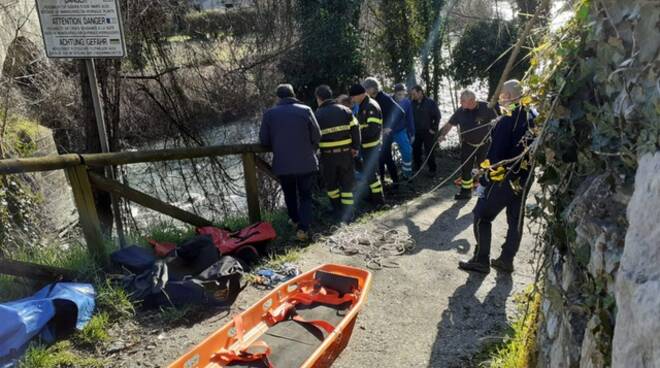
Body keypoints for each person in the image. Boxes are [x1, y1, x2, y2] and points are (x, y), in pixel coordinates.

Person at [458, 80, 535, 274]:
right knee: (515, 219)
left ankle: (481, 260)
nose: (500, 98)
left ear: (508, 96)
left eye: (502, 95)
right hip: (524, 177)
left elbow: (496, 155)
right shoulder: (532, 115)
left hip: (505, 177)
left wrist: (484, 179)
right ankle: (506, 259)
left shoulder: (508, 118)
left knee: (481, 216)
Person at [259, 84, 321, 241]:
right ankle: (303, 228)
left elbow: (264, 140)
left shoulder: (269, 114)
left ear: (278, 98)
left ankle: (295, 220)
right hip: (306, 162)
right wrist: (311, 150)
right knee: (306, 196)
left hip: (283, 163)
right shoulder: (305, 110)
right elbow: (317, 135)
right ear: (293, 94)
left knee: (289, 194)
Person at [437, 90, 498, 200]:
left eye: (462, 101)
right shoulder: (460, 111)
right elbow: (449, 124)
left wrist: (496, 122)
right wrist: (442, 135)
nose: (460, 103)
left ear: (471, 101)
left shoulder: (486, 107)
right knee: (466, 169)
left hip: (484, 145)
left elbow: (498, 118)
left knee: (484, 169)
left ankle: (487, 191)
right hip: (468, 145)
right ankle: (466, 192)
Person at [314, 85, 360, 223]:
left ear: (319, 98)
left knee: (332, 186)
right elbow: (356, 129)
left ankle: (337, 212)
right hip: (346, 155)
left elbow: (313, 136)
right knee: (347, 186)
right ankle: (348, 214)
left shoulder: (317, 115)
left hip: (328, 157)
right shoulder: (346, 110)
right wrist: (355, 147)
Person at [362, 77, 405, 187]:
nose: (365, 92)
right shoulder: (371, 100)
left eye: (366, 89)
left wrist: (389, 127)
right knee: (379, 159)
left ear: (372, 88)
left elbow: (400, 112)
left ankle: (396, 182)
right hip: (377, 134)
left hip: (385, 135)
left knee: (387, 158)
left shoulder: (384, 98)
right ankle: (381, 182)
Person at [349, 83, 385, 206]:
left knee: (372, 175)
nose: (352, 100)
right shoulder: (364, 105)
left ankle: (379, 202)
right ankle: (373, 197)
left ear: (360, 95)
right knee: (369, 174)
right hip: (366, 146)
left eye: (353, 97)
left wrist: (356, 135)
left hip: (371, 146)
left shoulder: (370, 106)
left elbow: (372, 129)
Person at [410, 85, 441, 176]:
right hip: (416, 131)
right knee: (416, 150)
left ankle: (432, 169)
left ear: (420, 92)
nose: (413, 96)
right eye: (412, 94)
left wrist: (433, 129)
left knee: (429, 151)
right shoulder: (411, 103)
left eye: (414, 94)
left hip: (428, 131)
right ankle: (417, 166)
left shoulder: (430, 103)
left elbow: (437, 116)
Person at [390, 83, 415, 180]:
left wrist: (412, 133)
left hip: (401, 131)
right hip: (388, 131)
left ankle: (407, 173)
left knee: (407, 151)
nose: (401, 96)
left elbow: (410, 118)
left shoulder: (407, 103)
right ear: (395, 93)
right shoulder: (388, 100)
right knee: (383, 153)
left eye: (403, 94)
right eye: (399, 94)